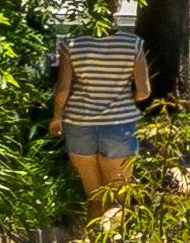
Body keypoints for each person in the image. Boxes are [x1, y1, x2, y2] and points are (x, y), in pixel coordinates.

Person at [42, 22, 156, 208]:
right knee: (118, 201)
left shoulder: (72, 43)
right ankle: (113, 234)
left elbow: (63, 88)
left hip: (78, 125)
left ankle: (95, 235)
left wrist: (57, 116)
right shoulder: (132, 43)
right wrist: (125, 101)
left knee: (94, 198)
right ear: (116, 7)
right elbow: (144, 91)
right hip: (120, 124)